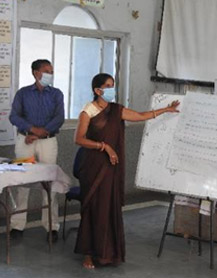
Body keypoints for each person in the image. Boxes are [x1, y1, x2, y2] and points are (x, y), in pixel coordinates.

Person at [74, 73, 180, 269]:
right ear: (98, 90)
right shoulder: (87, 111)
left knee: (109, 209)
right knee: (93, 209)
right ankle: (88, 254)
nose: (111, 89)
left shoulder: (116, 110)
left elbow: (140, 116)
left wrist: (167, 109)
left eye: (113, 85)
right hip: (94, 167)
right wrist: (103, 146)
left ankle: (108, 254)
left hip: (111, 168)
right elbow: (79, 139)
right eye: (107, 86)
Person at [9, 59, 64, 243]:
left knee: (49, 183)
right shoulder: (23, 93)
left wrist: (41, 133)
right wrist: (32, 130)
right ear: (35, 72)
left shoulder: (56, 94)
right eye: (46, 70)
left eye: (51, 70)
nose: (50, 73)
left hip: (48, 142)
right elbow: (14, 116)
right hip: (25, 141)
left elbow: (59, 118)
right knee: (22, 183)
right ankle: (17, 225)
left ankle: (51, 226)